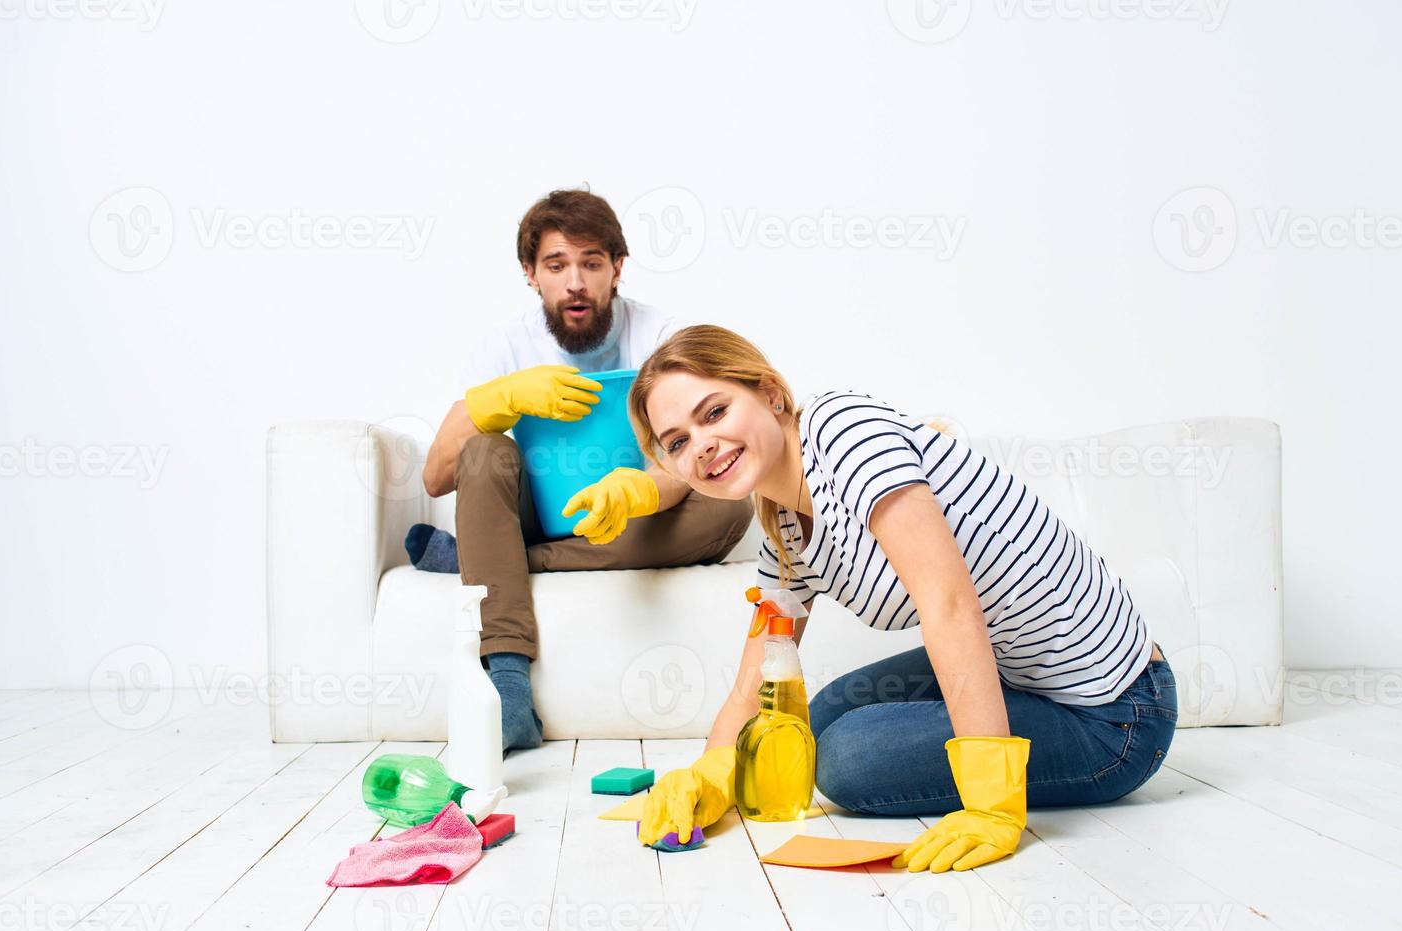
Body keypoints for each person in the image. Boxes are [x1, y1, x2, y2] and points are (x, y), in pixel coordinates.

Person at [625, 325, 1177, 873]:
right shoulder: (784, 528)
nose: (702, 445)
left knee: (844, 760)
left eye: (714, 413)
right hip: (1020, 674)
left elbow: (948, 603)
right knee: (811, 725)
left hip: (1116, 713)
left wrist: (990, 802)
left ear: (771, 394)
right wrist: (713, 769)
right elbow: (762, 672)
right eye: (677, 442)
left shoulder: (843, 430)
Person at [421, 192, 754, 753]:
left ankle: (478, 559)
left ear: (616, 268)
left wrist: (642, 487)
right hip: (530, 514)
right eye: (556, 265)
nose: (575, 281)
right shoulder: (505, 346)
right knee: (482, 452)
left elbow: (696, 458)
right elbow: (436, 476)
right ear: (531, 274)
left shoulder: (662, 337)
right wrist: (497, 399)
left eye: (592, 263)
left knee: (729, 502)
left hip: (631, 521)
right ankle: (508, 689)